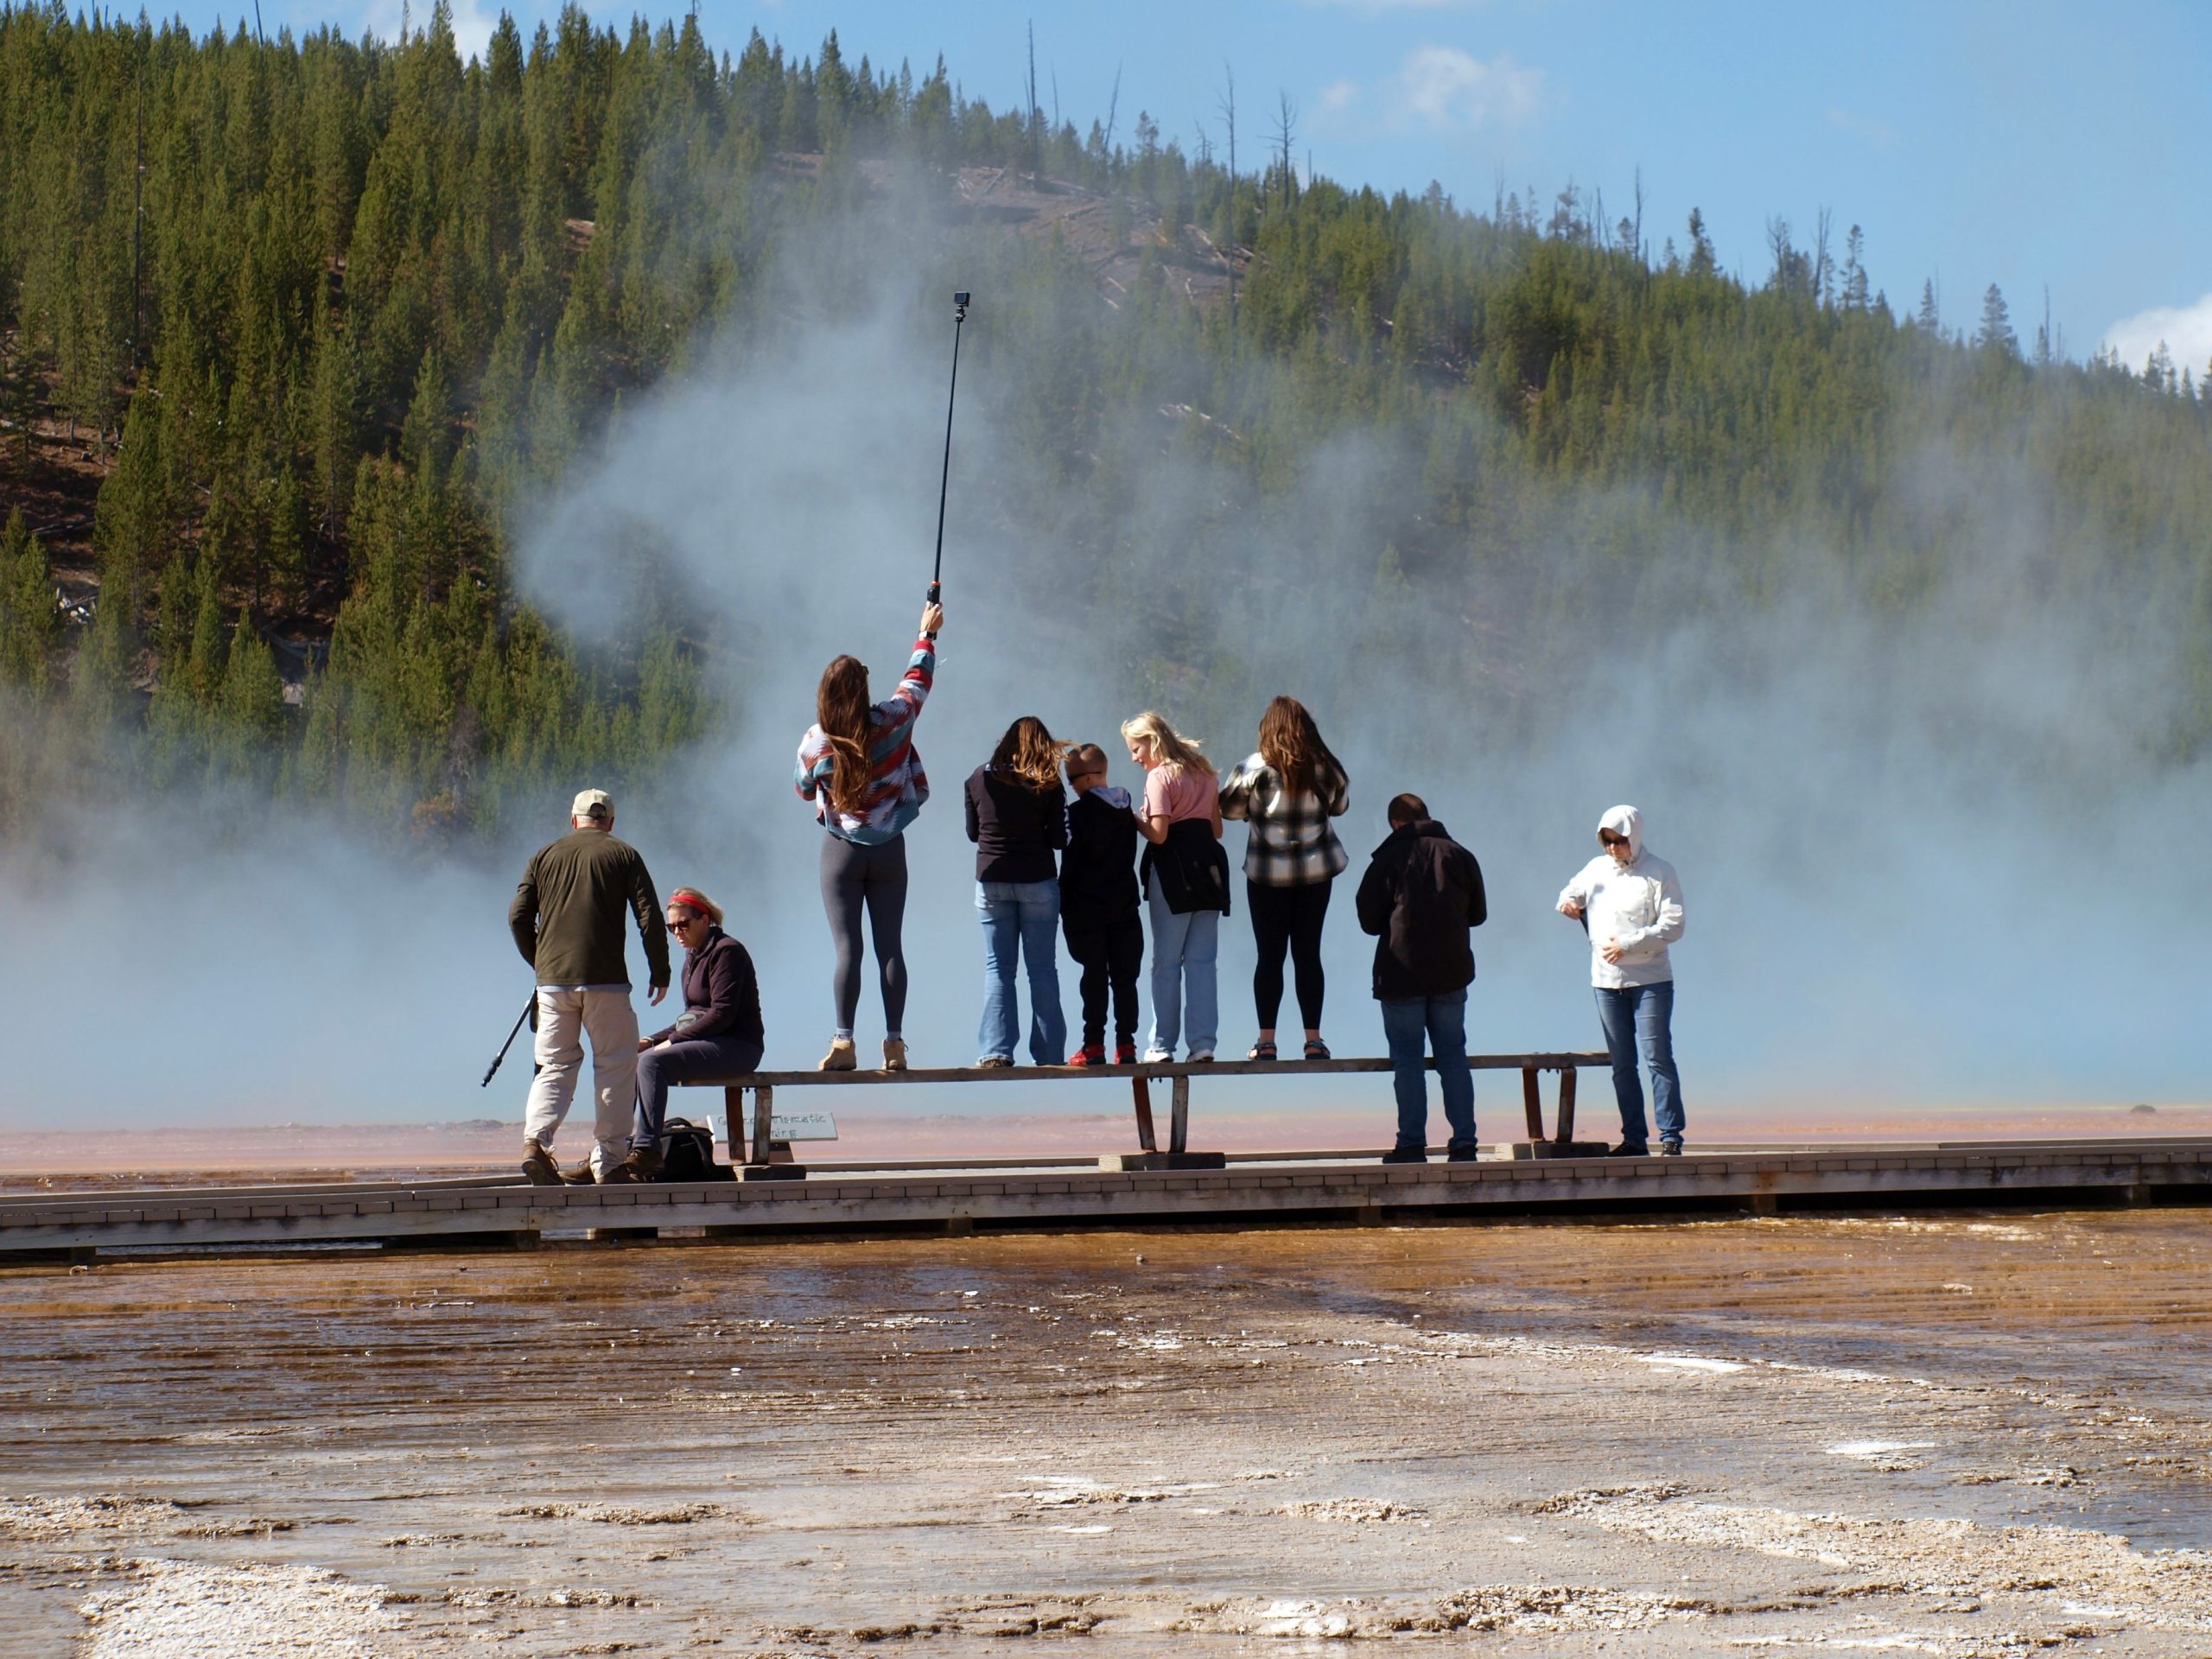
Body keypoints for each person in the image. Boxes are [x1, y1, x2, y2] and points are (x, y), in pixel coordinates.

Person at [795, 598, 943, 1072]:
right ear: (862, 691)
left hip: (841, 851)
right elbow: (916, 682)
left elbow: (802, 789)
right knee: (890, 947)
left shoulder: (817, 741)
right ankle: (895, 1044)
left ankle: (844, 1043)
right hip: (889, 849)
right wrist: (928, 633)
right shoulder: (894, 721)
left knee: (848, 949)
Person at [509, 788, 670, 1185]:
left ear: (573, 819)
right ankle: (610, 1163)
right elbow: (648, 916)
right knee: (615, 1067)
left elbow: (517, 916)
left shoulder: (543, 857)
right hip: (608, 983)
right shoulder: (625, 855)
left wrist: (540, 962)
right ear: (611, 823)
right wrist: (660, 970)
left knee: (554, 1066)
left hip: (553, 984)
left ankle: (536, 1144)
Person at [1355, 792, 1487, 1163]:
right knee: (1453, 1056)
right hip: (1451, 972)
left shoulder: (1388, 859)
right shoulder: (1460, 855)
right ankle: (1464, 1143)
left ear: (1395, 824)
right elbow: (1478, 914)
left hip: (1401, 974)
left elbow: (1368, 921)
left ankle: (1412, 1144)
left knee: (1408, 1059)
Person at [1220, 696, 1351, 1062]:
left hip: (1267, 876)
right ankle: (1314, 1040)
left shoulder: (1253, 767)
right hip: (1315, 873)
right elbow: (1339, 806)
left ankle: (1266, 1041)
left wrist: (1255, 814)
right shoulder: (1324, 765)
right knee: (1309, 954)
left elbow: (1227, 809)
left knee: (1270, 956)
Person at [1556, 804, 1687, 1157]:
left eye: (1620, 840)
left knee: (1657, 1056)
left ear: (1635, 837)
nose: (1614, 848)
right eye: (1607, 840)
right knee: (1623, 1064)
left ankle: (1671, 1135)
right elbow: (1569, 892)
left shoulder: (1660, 872)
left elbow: (1673, 925)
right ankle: (1633, 1139)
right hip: (1606, 982)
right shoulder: (1596, 869)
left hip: (1650, 980)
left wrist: (1627, 944)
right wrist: (1568, 902)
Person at [613, 887, 764, 1183]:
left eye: (684, 924)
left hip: (738, 1046)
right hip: (710, 1041)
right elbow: (691, 1018)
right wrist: (652, 1040)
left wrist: (671, 1043)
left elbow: (721, 1015)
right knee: (636, 1057)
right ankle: (614, 1151)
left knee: (652, 1063)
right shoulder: (692, 957)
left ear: (704, 919)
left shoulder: (726, 951)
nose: (677, 932)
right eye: (672, 927)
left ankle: (647, 1150)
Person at [1121, 710, 1227, 1063]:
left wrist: (1131, 817)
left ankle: (1161, 1045)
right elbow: (1217, 830)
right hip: (1210, 872)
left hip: (1173, 873)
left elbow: (1159, 834)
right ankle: (1203, 1044)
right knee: (1202, 962)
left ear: (1153, 741)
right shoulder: (1205, 773)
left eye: (1136, 749)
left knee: (1166, 962)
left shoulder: (1159, 777)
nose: (1135, 758)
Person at [964, 715, 1070, 1066]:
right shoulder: (1049, 783)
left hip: (992, 881)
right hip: (1037, 881)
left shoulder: (978, 778)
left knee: (998, 968)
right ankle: (1050, 1055)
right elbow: (1058, 840)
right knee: (1042, 970)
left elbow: (973, 833)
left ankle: (995, 1051)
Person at [1059, 742, 1144, 1066]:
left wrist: (1064, 904)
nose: (1071, 786)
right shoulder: (1126, 811)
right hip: (1124, 905)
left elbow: (1069, 860)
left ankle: (1093, 1045)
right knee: (1125, 979)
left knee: (1092, 975)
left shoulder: (1076, 814)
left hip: (1087, 909)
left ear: (1090, 778)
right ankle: (1127, 1046)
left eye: (1072, 779)